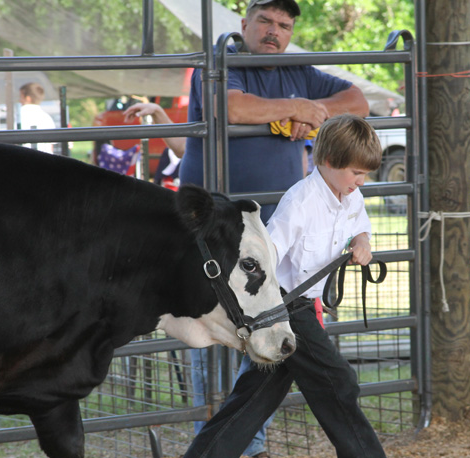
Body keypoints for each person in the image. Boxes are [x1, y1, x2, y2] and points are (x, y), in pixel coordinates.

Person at [179, 0, 369, 456]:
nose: (274, 31)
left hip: (273, 238)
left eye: (284, 25)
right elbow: (233, 106)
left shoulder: (297, 68)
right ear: (244, 24)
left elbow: (357, 102)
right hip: (216, 227)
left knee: (267, 342)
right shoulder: (223, 60)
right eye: (265, 20)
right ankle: (218, 438)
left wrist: (308, 113)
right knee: (210, 325)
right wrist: (291, 109)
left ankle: (231, 448)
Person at [183, 114, 385, 458]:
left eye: (365, 174)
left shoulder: (349, 196)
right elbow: (267, 257)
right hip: (285, 306)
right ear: (328, 162)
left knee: (254, 398)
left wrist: (362, 240)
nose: (361, 182)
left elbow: (358, 224)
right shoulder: (300, 202)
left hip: (304, 305)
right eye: (356, 172)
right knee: (337, 382)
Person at [19, 82, 56, 154]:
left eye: (21, 96)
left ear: (28, 98)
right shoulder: (47, 118)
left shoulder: (19, 115)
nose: (19, 100)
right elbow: (51, 146)